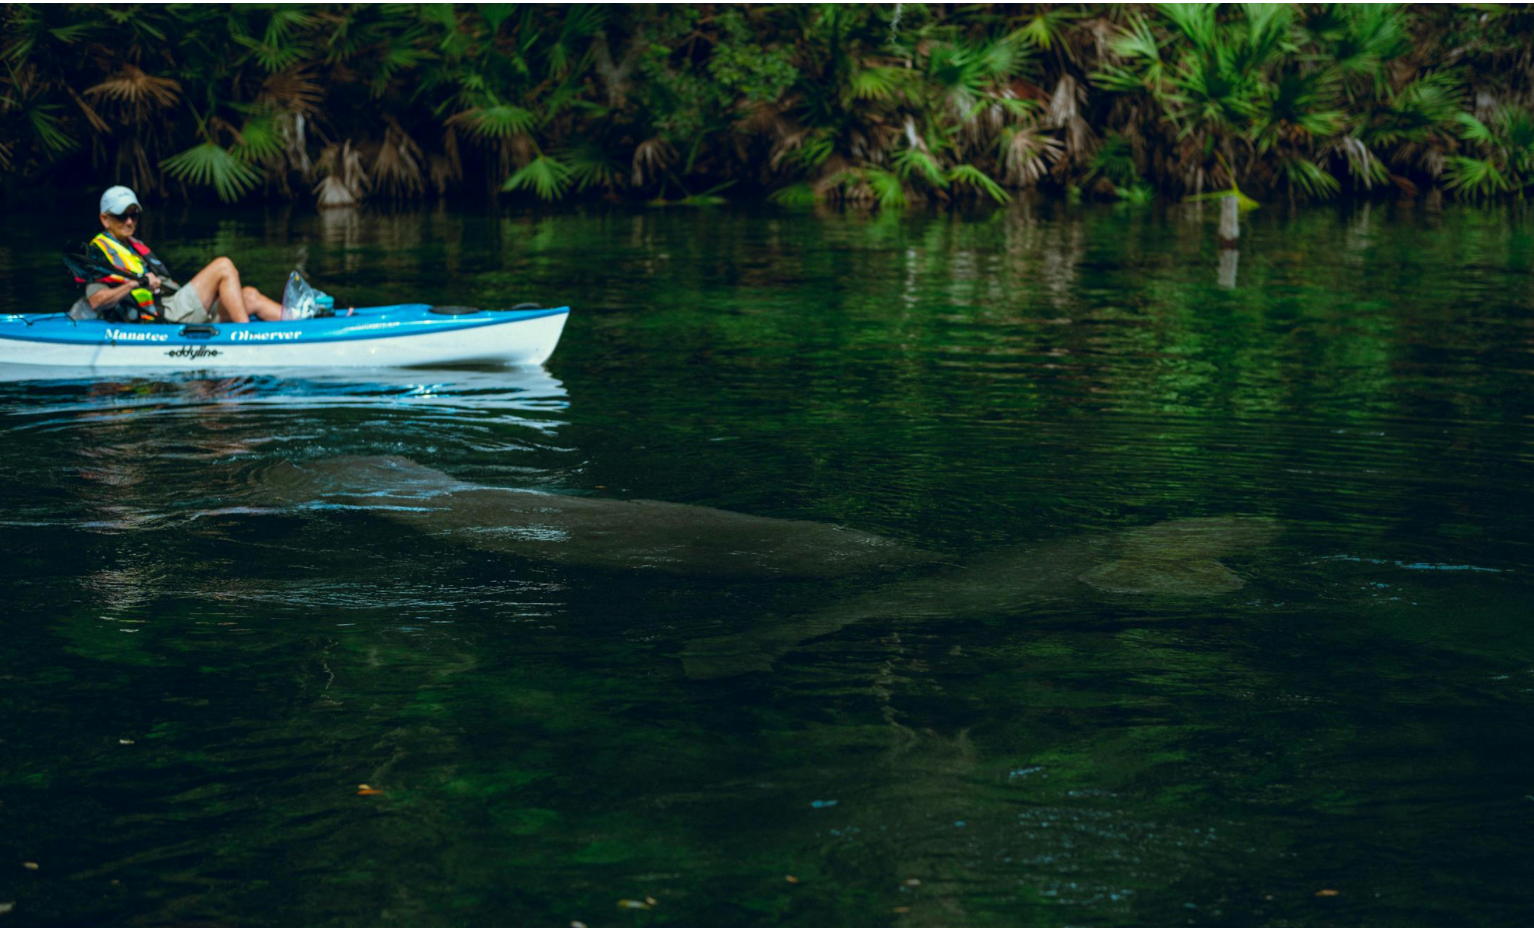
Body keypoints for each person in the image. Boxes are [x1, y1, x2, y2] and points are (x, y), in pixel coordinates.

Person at [83, 186, 283, 323]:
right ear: (105, 219)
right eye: (121, 216)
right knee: (223, 266)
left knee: (249, 295)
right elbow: (97, 300)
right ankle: (245, 338)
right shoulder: (98, 254)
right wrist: (135, 282)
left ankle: (304, 322)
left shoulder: (132, 245)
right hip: (162, 317)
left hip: (171, 304)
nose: (129, 222)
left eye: (133, 215)